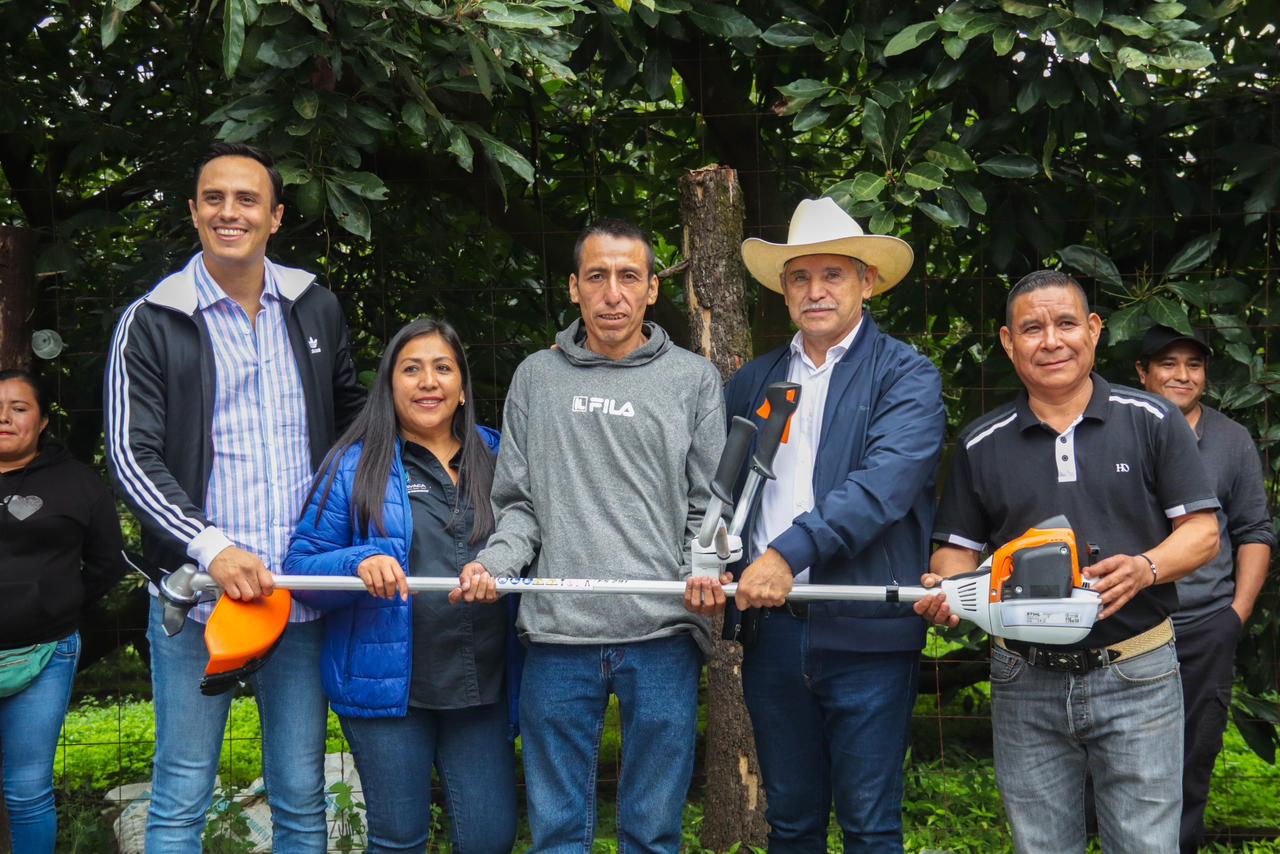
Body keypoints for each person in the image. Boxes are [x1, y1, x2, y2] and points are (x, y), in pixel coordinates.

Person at [104, 142, 366, 851]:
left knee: (303, 795)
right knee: (181, 792)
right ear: (193, 212)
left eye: (247, 200)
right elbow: (132, 458)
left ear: (275, 216)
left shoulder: (315, 308)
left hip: (300, 590)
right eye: (214, 198)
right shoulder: (152, 318)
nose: (230, 212)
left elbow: (353, 430)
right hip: (199, 596)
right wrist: (213, 549)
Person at [917, 270, 1221, 853]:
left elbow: (1203, 533)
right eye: (1031, 329)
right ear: (1009, 343)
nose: (1050, 341)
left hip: (1138, 670)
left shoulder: (1152, 420)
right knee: (1041, 846)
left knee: (1147, 845)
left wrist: (1146, 567)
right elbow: (954, 551)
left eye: (1065, 324)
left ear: (1094, 330)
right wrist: (950, 591)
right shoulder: (982, 444)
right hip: (1021, 676)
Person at [686, 197, 946, 852]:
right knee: (792, 825)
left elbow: (880, 490)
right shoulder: (755, 382)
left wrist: (786, 552)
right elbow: (725, 491)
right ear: (783, 291)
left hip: (867, 635)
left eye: (833, 274)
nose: (815, 290)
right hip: (774, 636)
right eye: (799, 277)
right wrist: (712, 562)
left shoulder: (907, 377)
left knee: (868, 825)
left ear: (868, 281)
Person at [461, 219, 725, 852]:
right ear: (574, 288)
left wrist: (705, 569)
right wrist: (495, 563)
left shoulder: (693, 379)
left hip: (663, 630)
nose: (614, 293)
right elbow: (517, 504)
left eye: (629, 277)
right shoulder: (536, 377)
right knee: (555, 833)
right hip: (558, 633)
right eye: (598, 277)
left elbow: (710, 502)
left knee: (654, 830)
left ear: (653, 289)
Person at [284, 318, 516, 854]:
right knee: (399, 842)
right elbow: (300, 567)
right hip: (387, 691)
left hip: (481, 684)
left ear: (462, 388)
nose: (427, 382)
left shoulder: (498, 455)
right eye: (411, 369)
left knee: (490, 839)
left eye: (442, 368)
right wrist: (359, 562)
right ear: (390, 384)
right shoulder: (352, 463)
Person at [1134, 324, 1275, 852]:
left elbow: (1254, 531)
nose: (1182, 375)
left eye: (1193, 365)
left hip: (1202, 628)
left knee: (1193, 757)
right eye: (1168, 364)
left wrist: (1234, 615)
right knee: (1107, 756)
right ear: (1142, 374)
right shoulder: (1119, 430)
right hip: (1127, 624)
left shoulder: (1232, 440)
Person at [0, 369, 127, 854]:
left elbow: (107, 563)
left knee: (27, 791)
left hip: (44, 652)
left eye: (19, 407)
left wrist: (55, 602)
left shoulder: (77, 483)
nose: (5, 418)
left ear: (44, 420)